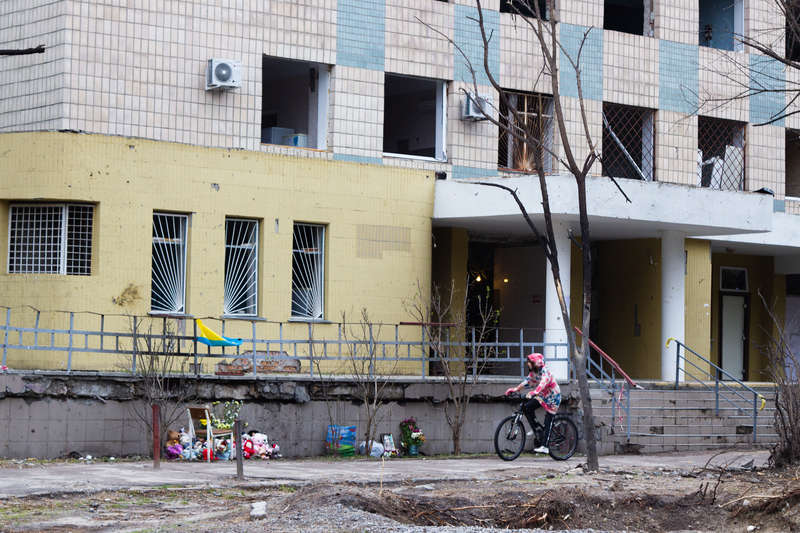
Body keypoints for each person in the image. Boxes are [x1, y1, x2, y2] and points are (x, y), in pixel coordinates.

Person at [505, 353, 561, 454]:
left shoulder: (545, 371)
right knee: (527, 407)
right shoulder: (534, 372)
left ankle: (545, 446)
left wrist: (534, 392)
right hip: (543, 396)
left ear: (535, 363)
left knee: (548, 421)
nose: (527, 364)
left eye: (529, 362)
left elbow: (543, 383)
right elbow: (527, 382)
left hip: (553, 397)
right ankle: (537, 428)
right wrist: (514, 389)